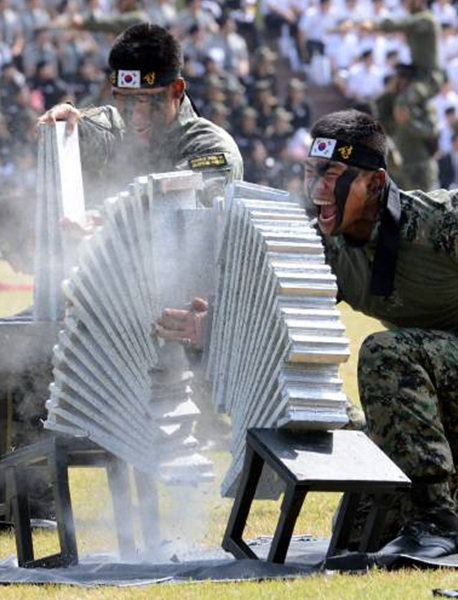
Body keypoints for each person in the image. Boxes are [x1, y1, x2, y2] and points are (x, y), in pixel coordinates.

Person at [158, 108, 458, 559]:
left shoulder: (439, 223)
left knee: (385, 353)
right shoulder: (325, 247)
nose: (318, 189)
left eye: (333, 174)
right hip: (441, 395)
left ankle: (440, 519)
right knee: (358, 537)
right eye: (311, 172)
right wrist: (212, 327)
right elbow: (275, 312)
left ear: (375, 184)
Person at [38, 22, 243, 208]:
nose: (134, 115)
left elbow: (176, 202)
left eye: (144, 99)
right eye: (123, 99)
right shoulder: (117, 124)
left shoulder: (212, 148)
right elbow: (92, 127)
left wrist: (106, 218)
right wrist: (67, 122)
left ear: (177, 89)